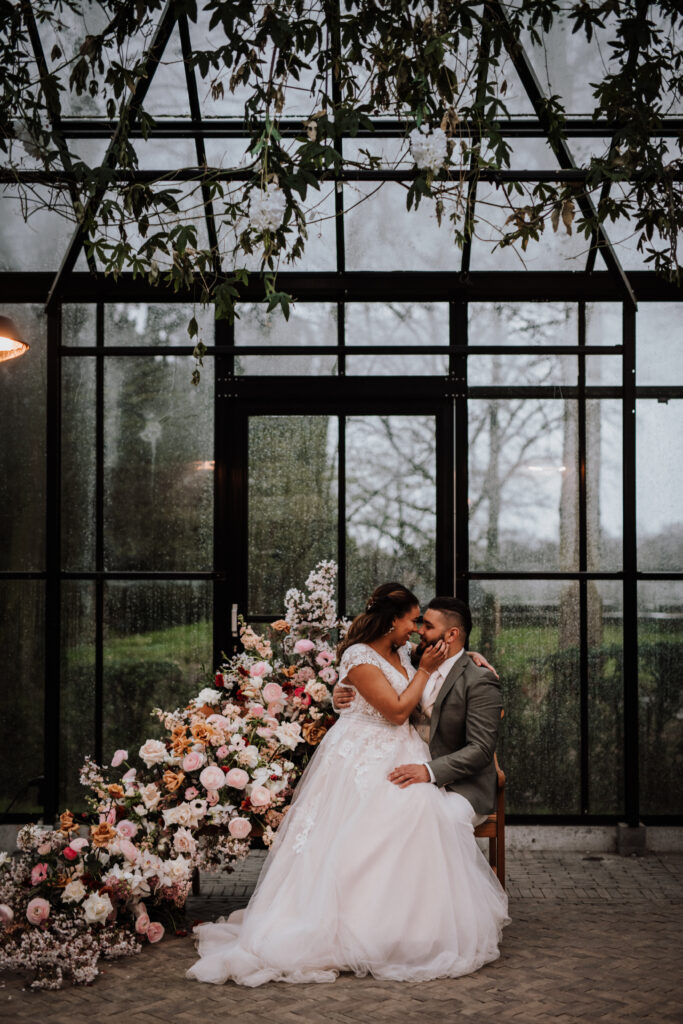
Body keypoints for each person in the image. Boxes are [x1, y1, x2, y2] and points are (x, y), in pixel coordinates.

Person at [187, 584, 509, 987]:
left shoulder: (409, 654)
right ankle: (344, 928)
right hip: (363, 753)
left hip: (403, 754)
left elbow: (438, 680)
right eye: (413, 620)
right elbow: (394, 708)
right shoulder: (362, 655)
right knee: (361, 832)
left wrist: (469, 659)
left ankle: (402, 925)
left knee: (407, 821)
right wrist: (388, 682)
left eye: (422, 624)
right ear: (394, 620)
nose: (416, 629)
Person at [334, 596, 501, 830]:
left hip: (462, 786)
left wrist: (428, 770)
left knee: (437, 821)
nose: (419, 631)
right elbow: (372, 668)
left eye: (428, 627)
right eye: (420, 623)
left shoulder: (479, 681)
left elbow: (481, 749)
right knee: (380, 815)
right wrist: (343, 690)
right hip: (410, 767)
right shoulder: (416, 660)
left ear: (451, 635)